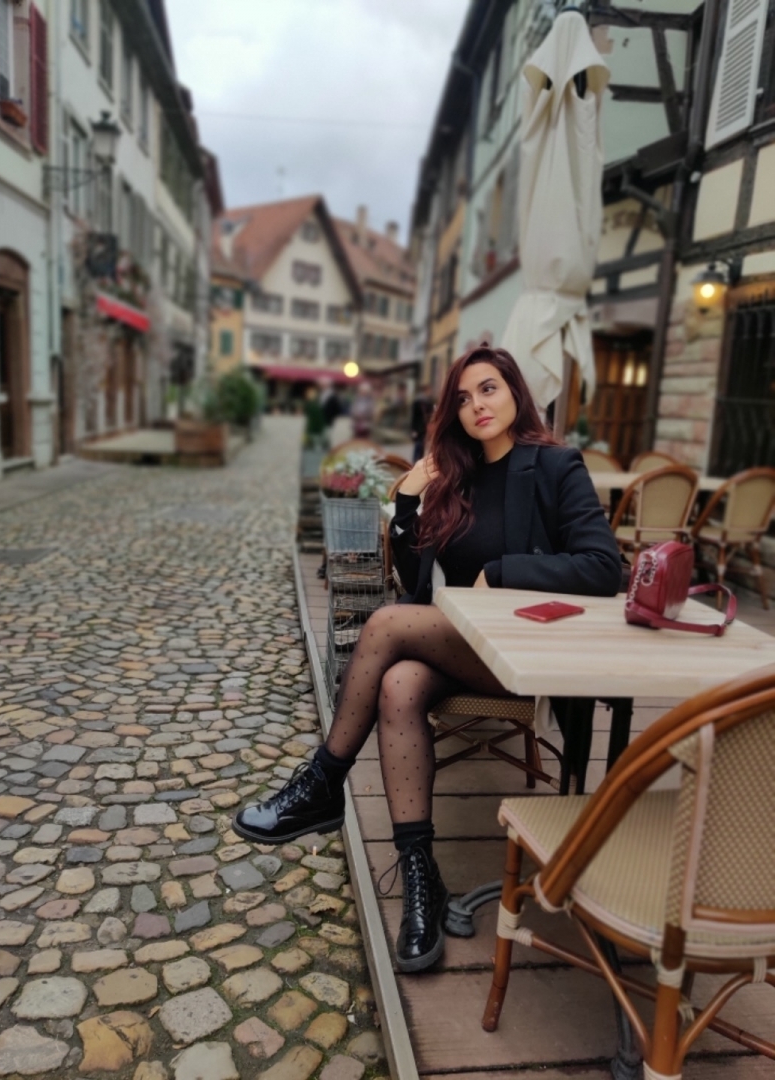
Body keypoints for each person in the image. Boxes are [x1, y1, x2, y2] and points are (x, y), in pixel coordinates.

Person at [233, 345, 622, 973]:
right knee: (399, 685)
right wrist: (411, 503)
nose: (477, 406)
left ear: (516, 392)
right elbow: (419, 581)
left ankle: (324, 781)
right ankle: (421, 876)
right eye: (463, 399)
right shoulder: (456, 474)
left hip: (520, 651)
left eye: (488, 389)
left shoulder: (554, 465)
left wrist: (506, 571)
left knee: (385, 625)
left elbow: (604, 567)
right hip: (457, 645)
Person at [410, 383, 434, 463]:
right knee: (419, 447)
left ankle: (416, 462)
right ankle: (416, 462)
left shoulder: (423, 402)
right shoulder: (423, 402)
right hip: (422, 428)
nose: (430, 392)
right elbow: (416, 417)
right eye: (429, 391)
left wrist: (413, 429)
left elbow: (414, 417)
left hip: (420, 428)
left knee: (419, 447)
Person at [320, 380, 342, 447]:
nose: (322, 386)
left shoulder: (333, 395)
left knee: (327, 435)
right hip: (321, 419)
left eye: (324, 385)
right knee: (322, 436)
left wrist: (333, 416)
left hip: (329, 419)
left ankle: (327, 447)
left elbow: (337, 408)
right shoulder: (321, 394)